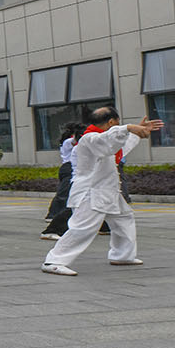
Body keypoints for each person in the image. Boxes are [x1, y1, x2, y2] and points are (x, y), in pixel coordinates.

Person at [41, 108, 162, 275]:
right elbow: (108, 143)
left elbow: (118, 147)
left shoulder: (101, 140)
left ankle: (122, 255)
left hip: (107, 191)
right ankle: (54, 261)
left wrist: (136, 133)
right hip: (91, 192)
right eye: (117, 123)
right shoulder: (89, 139)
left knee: (124, 219)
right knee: (83, 228)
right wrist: (128, 128)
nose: (118, 126)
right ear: (111, 122)